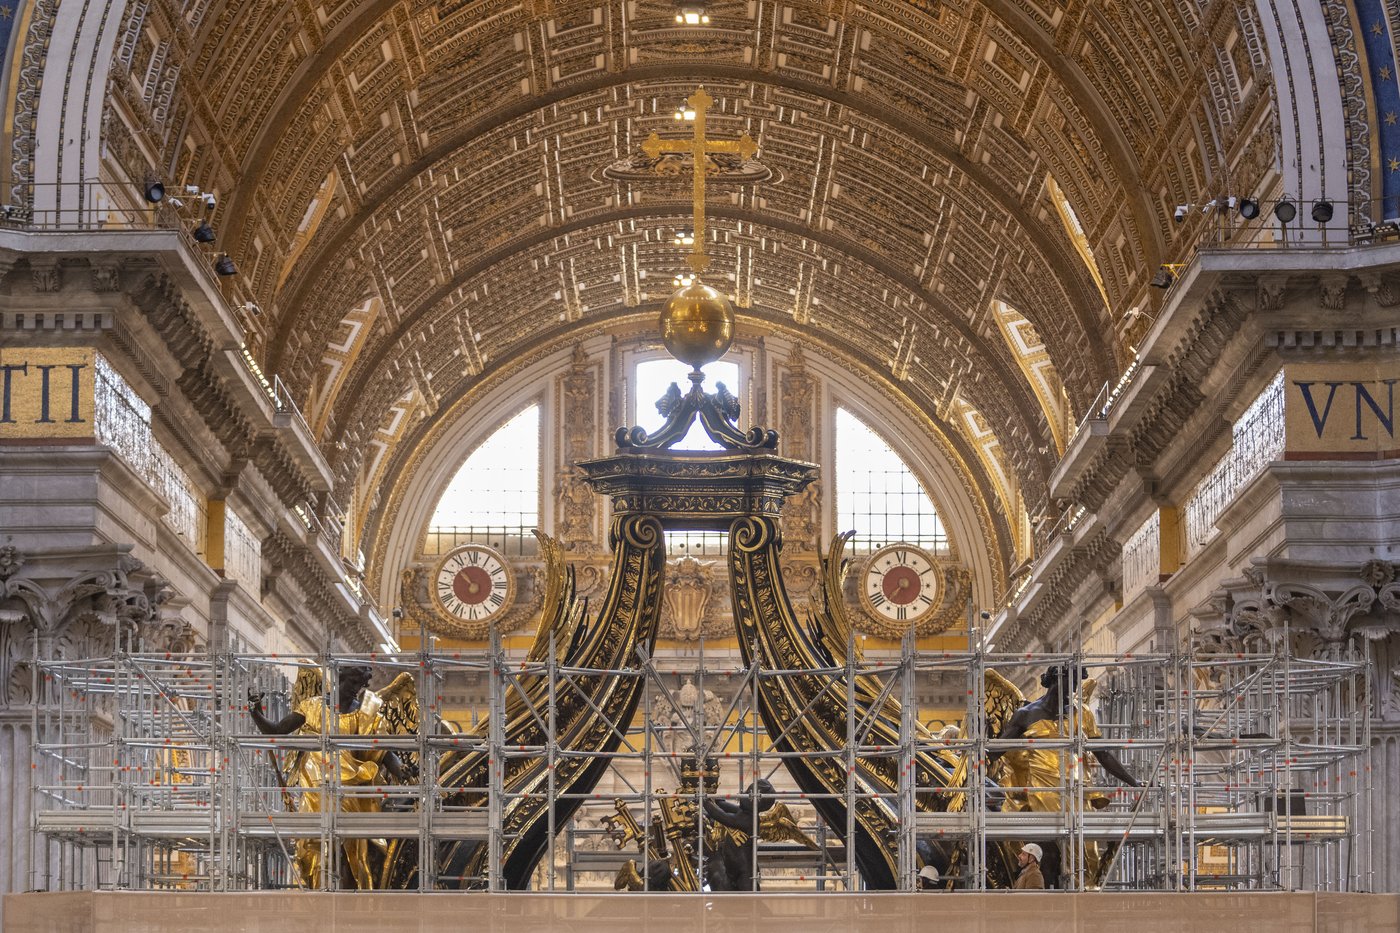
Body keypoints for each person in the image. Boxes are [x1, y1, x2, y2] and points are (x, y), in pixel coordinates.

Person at [249, 664, 405, 889]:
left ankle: (352, 897)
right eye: (352, 684)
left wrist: (403, 772)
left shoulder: (366, 714)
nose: (356, 690)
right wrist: (256, 711)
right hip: (317, 788)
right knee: (312, 850)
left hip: (353, 790)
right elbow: (276, 732)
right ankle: (317, 893)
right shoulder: (312, 707)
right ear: (340, 679)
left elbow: (384, 752)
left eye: (360, 686)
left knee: (356, 854)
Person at [996, 665, 1140, 886]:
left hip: (1076, 789)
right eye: (1068, 682)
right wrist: (972, 754)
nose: (1072, 689)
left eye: (1074, 684)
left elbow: (1103, 754)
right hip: (1042, 790)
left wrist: (1133, 782)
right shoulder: (1026, 714)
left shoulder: (1082, 713)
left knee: (1087, 852)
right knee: (1051, 850)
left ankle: (1085, 893)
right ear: (1053, 681)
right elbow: (998, 749)